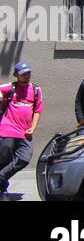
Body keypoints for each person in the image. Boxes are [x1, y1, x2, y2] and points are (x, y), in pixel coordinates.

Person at [0, 63, 43, 198]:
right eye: (23, 74)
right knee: (4, 159)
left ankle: (1, 177)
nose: (27, 76)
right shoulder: (10, 88)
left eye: (28, 73)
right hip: (6, 129)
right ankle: (2, 189)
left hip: (24, 132)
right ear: (16, 75)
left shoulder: (36, 90)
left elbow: (37, 111)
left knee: (24, 157)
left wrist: (33, 127)